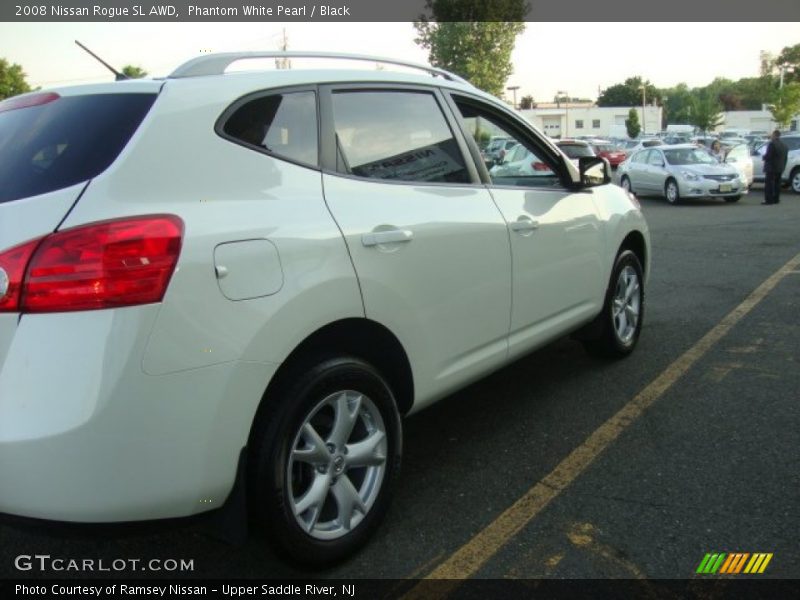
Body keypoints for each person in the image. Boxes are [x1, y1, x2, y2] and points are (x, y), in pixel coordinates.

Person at [762, 130, 788, 205]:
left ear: (774, 135)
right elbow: (785, 158)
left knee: (769, 185)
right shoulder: (784, 145)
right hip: (780, 168)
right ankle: (776, 199)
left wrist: (764, 157)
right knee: (777, 184)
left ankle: (769, 200)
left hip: (771, 168)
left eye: (772, 134)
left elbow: (769, 156)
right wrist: (783, 166)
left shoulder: (772, 144)